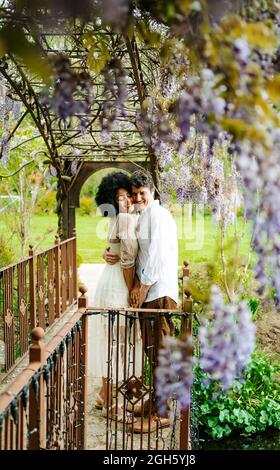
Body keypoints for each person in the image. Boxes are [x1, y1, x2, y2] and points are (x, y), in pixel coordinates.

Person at [103, 170, 178, 433]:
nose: (137, 198)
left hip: (158, 293)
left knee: (160, 352)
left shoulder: (156, 215)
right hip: (151, 292)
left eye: (142, 194)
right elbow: (130, 246)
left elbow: (156, 255)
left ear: (153, 192)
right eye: (134, 194)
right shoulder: (143, 216)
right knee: (152, 351)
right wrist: (109, 252)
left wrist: (141, 287)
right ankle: (153, 404)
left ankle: (163, 413)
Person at [90, 171, 142, 420]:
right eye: (121, 198)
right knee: (118, 346)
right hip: (118, 285)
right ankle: (112, 405)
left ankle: (103, 395)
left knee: (113, 342)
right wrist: (133, 289)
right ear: (111, 200)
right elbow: (128, 258)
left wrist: (107, 252)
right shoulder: (126, 219)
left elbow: (116, 249)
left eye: (128, 196)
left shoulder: (119, 218)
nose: (128, 202)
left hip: (108, 282)